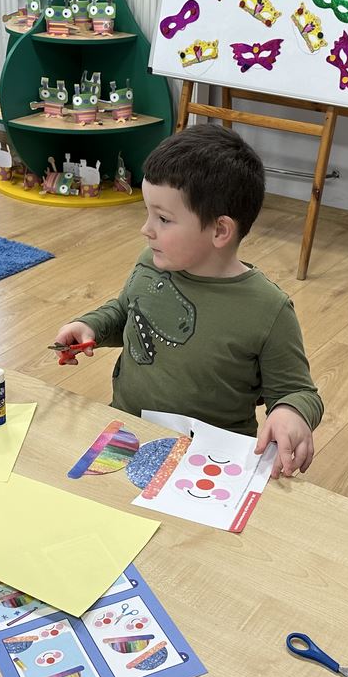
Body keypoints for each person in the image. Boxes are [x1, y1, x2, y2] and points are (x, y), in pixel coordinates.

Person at [54, 125, 321, 477]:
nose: (146, 229)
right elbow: (127, 310)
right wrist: (91, 326)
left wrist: (291, 413)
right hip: (128, 430)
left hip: (212, 457)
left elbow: (297, 390)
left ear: (220, 230)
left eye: (163, 219)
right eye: (148, 213)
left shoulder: (269, 309)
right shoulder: (151, 262)